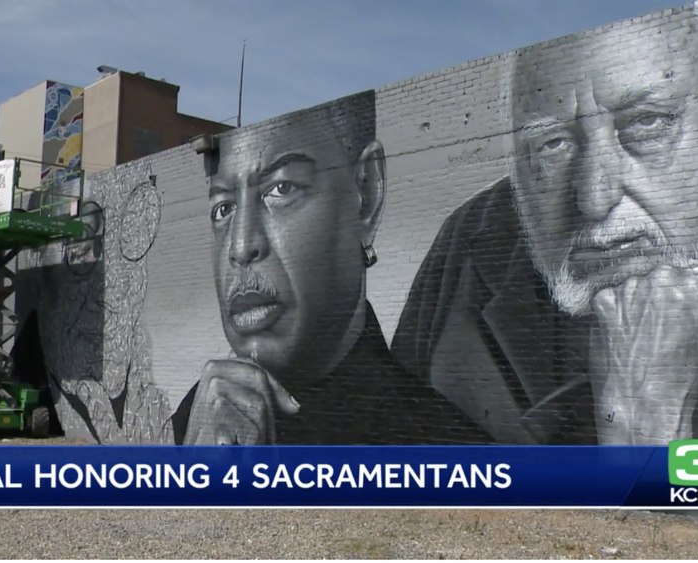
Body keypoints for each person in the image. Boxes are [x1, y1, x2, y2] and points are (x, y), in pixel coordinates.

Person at [391, 0, 698, 446]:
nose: (593, 198)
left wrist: (646, 427)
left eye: (647, 123)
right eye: (553, 143)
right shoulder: (474, 240)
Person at [171, 91, 494, 446]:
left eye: (281, 189)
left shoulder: (448, 455)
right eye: (223, 209)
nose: (241, 246)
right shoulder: (183, 429)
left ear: (366, 194)